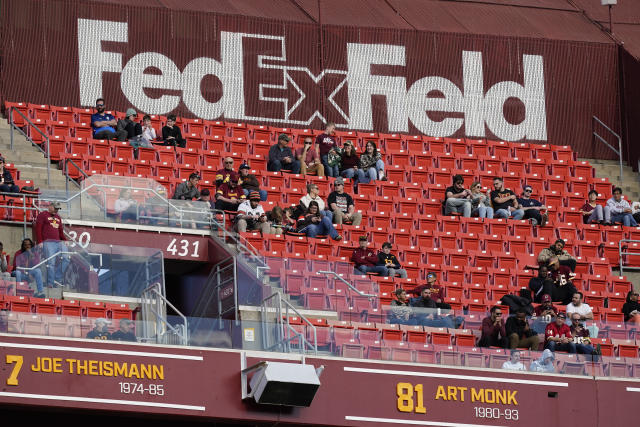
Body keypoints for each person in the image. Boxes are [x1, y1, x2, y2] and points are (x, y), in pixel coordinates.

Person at [34, 201, 68, 288]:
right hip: (48, 242)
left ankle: (57, 277)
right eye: (55, 208)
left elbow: (60, 231)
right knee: (51, 263)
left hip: (58, 242)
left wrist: (65, 239)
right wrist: (40, 241)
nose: (56, 210)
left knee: (66, 259)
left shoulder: (58, 217)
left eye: (58, 209)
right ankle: (50, 283)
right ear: (50, 206)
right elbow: (38, 229)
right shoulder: (42, 215)